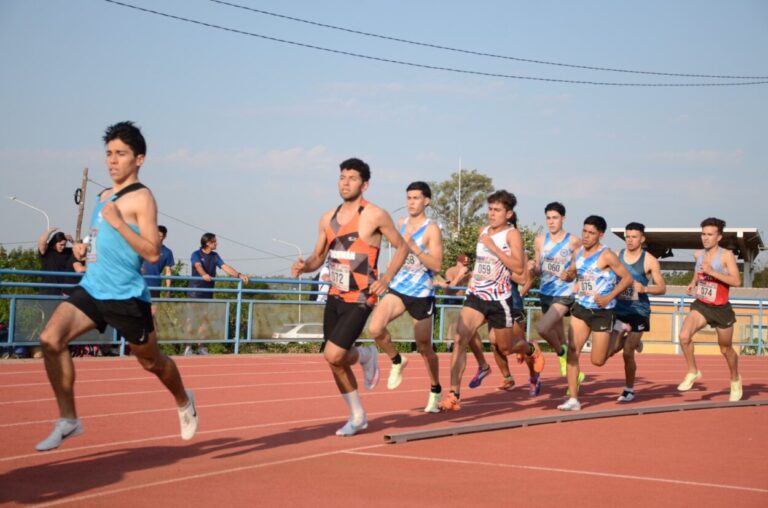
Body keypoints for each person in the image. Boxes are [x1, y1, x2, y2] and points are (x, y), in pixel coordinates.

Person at [35, 121, 197, 451]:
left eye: (120, 154)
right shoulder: (103, 196)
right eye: (108, 153)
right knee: (50, 339)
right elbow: (101, 238)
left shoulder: (142, 198)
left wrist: (120, 223)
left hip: (126, 296)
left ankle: (183, 400)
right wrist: (84, 248)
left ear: (139, 159)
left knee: (152, 363)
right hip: (93, 288)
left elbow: (152, 251)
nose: (112, 161)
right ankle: (69, 419)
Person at [292, 157, 409, 436]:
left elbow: (402, 247)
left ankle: (366, 356)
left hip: (361, 297)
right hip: (335, 295)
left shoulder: (374, 215)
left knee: (334, 353)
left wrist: (386, 278)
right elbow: (318, 257)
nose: (345, 182)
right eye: (342, 177)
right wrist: (304, 266)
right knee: (333, 360)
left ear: (364, 184)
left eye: (352, 178)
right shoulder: (327, 218)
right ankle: (357, 414)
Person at [440, 190, 544, 411]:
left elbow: (519, 270)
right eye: (490, 209)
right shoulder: (482, 231)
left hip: (500, 300)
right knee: (460, 340)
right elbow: (483, 263)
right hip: (476, 296)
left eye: (497, 210)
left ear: (508, 213)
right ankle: (453, 394)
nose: (492, 214)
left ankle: (530, 350)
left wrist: (494, 247)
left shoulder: (512, 235)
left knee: (505, 348)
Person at [367, 182, 443, 413]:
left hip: (421, 294)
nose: (411, 202)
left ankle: (435, 389)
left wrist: (415, 249)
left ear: (426, 201)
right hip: (399, 288)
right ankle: (397, 360)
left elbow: (437, 265)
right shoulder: (400, 224)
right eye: (408, 197)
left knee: (424, 347)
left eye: (416, 198)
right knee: (375, 329)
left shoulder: (432, 230)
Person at [557, 215, 634, 411]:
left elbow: (626, 279)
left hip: (602, 312)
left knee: (597, 361)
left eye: (591, 233)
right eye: (584, 231)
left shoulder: (607, 255)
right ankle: (574, 399)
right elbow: (574, 272)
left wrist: (609, 297)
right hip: (581, 308)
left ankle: (619, 333)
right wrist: (568, 276)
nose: (586, 236)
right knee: (573, 352)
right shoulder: (578, 252)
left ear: (600, 235)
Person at [677, 218, 742, 401]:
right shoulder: (698, 254)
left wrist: (712, 271)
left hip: (721, 309)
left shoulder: (726, 256)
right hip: (702, 305)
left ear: (718, 237)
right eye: (703, 234)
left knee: (725, 349)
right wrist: (692, 283)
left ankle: (735, 379)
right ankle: (693, 371)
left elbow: (736, 281)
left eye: (710, 235)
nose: (705, 238)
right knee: (683, 336)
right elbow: (698, 273)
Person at [608, 222, 666, 402]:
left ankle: (629, 390)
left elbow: (662, 288)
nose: (630, 240)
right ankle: (632, 341)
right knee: (608, 352)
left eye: (634, 237)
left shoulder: (649, 260)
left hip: (638, 312)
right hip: (618, 310)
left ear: (642, 239)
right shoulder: (617, 256)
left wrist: (645, 289)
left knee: (627, 352)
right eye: (627, 236)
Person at [529, 202, 581, 384]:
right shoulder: (539, 241)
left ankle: (561, 354)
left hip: (564, 294)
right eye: (548, 218)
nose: (551, 222)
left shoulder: (573, 241)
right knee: (559, 336)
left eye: (555, 218)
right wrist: (532, 267)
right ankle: (575, 376)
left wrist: (572, 276)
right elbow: (538, 267)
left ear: (563, 219)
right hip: (546, 293)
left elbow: (579, 266)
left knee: (543, 328)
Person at [186, 233, 249, 355]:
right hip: (195, 291)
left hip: (208, 290)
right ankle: (188, 347)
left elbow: (225, 267)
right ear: (207, 243)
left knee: (204, 320)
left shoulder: (215, 256)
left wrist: (239, 275)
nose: (216, 243)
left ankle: (201, 347)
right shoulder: (196, 254)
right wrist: (203, 274)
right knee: (192, 319)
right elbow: (197, 266)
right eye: (214, 241)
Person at [37, 228, 85, 295]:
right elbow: (41, 243)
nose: (62, 247)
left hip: (63, 290)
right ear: (55, 242)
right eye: (61, 244)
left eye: (64, 245)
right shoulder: (47, 252)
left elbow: (79, 250)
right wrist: (49, 231)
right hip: (48, 290)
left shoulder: (67, 252)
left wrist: (72, 241)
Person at [141, 225, 175, 305]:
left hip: (154, 285)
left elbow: (168, 272)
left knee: (153, 310)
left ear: (164, 237)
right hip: (139, 283)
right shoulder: (143, 246)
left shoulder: (167, 252)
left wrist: (168, 289)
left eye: (160, 236)